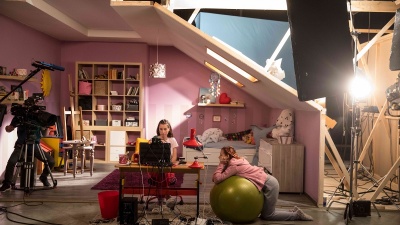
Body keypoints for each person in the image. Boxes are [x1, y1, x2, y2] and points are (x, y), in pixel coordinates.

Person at [212, 146, 313, 221]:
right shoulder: (238, 161)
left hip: (270, 185)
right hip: (269, 181)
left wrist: (221, 164)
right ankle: (292, 211)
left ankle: (296, 215)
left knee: (268, 215)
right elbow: (216, 178)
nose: (219, 157)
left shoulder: (234, 167)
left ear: (227, 156)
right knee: (266, 212)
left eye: (221, 155)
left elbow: (217, 178)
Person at [0, 114, 55, 192]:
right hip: (21, 145)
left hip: (35, 146)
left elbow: (45, 135)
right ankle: (7, 183)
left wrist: (46, 127)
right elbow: (9, 129)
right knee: (11, 162)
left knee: (51, 161)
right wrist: (9, 127)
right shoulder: (20, 116)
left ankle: (43, 177)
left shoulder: (38, 117)